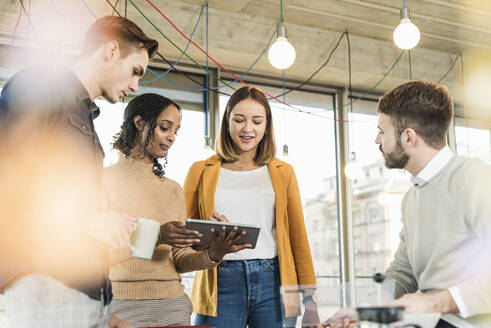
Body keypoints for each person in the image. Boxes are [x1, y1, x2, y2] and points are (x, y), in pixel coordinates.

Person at [0, 15, 158, 328]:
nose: (134, 86)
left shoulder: (86, 121)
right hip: (40, 286)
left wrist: (100, 307)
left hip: (80, 296)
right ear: (111, 50)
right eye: (135, 71)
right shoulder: (41, 87)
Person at [320, 81, 491, 328]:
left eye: (382, 130)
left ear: (408, 137)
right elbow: (404, 272)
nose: (376, 139)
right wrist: (365, 311)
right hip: (431, 321)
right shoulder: (412, 196)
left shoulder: (475, 179)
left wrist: (436, 302)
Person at [103, 93, 249, 327]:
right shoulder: (101, 180)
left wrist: (214, 254)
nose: (171, 137)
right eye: (164, 127)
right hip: (120, 303)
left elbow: (179, 259)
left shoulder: (172, 189)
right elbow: (97, 249)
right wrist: (159, 234)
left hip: (172, 304)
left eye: (175, 131)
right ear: (139, 123)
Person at [184, 86, 320, 328]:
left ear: (267, 126)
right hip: (220, 280)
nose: (248, 129)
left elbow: (298, 238)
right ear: (227, 122)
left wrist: (310, 299)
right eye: (239, 120)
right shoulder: (200, 170)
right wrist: (208, 231)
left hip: (274, 281)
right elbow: (186, 237)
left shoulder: (283, 173)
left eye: (257, 121)